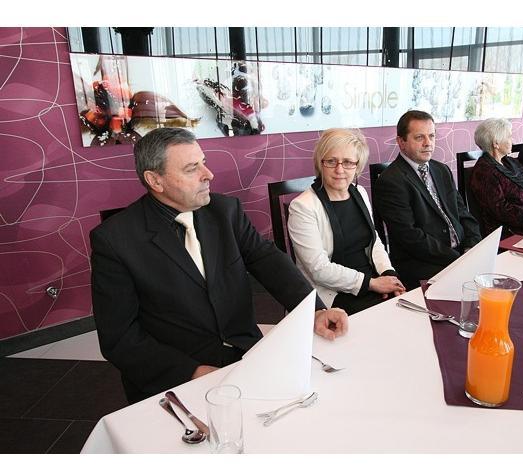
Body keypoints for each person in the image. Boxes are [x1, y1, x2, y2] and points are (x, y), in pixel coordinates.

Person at [90, 127, 348, 403]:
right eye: (192, 168)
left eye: (203, 162)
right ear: (155, 180)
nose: (208, 174)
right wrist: (192, 372)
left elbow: (268, 260)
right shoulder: (114, 240)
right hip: (176, 375)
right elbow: (119, 338)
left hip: (246, 354)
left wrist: (315, 310)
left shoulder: (225, 211)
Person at [287, 128, 405, 315]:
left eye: (348, 162)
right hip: (333, 292)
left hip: (372, 280)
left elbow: (374, 240)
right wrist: (371, 284)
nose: (339, 170)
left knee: (405, 311)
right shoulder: (302, 207)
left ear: (357, 165)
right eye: (331, 161)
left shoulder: (360, 193)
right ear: (320, 163)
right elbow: (319, 269)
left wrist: (388, 274)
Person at [372, 110, 481, 290]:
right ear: (401, 142)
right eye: (419, 137)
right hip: (424, 264)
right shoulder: (390, 181)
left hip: (462, 255)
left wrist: (472, 246)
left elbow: (463, 213)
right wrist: (458, 259)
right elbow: (410, 237)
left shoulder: (441, 170)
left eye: (431, 136)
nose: (428, 143)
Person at [469, 118, 523, 238]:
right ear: (496, 143)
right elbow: (501, 210)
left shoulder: (512, 162)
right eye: (509, 137)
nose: (512, 140)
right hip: (509, 232)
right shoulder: (484, 172)